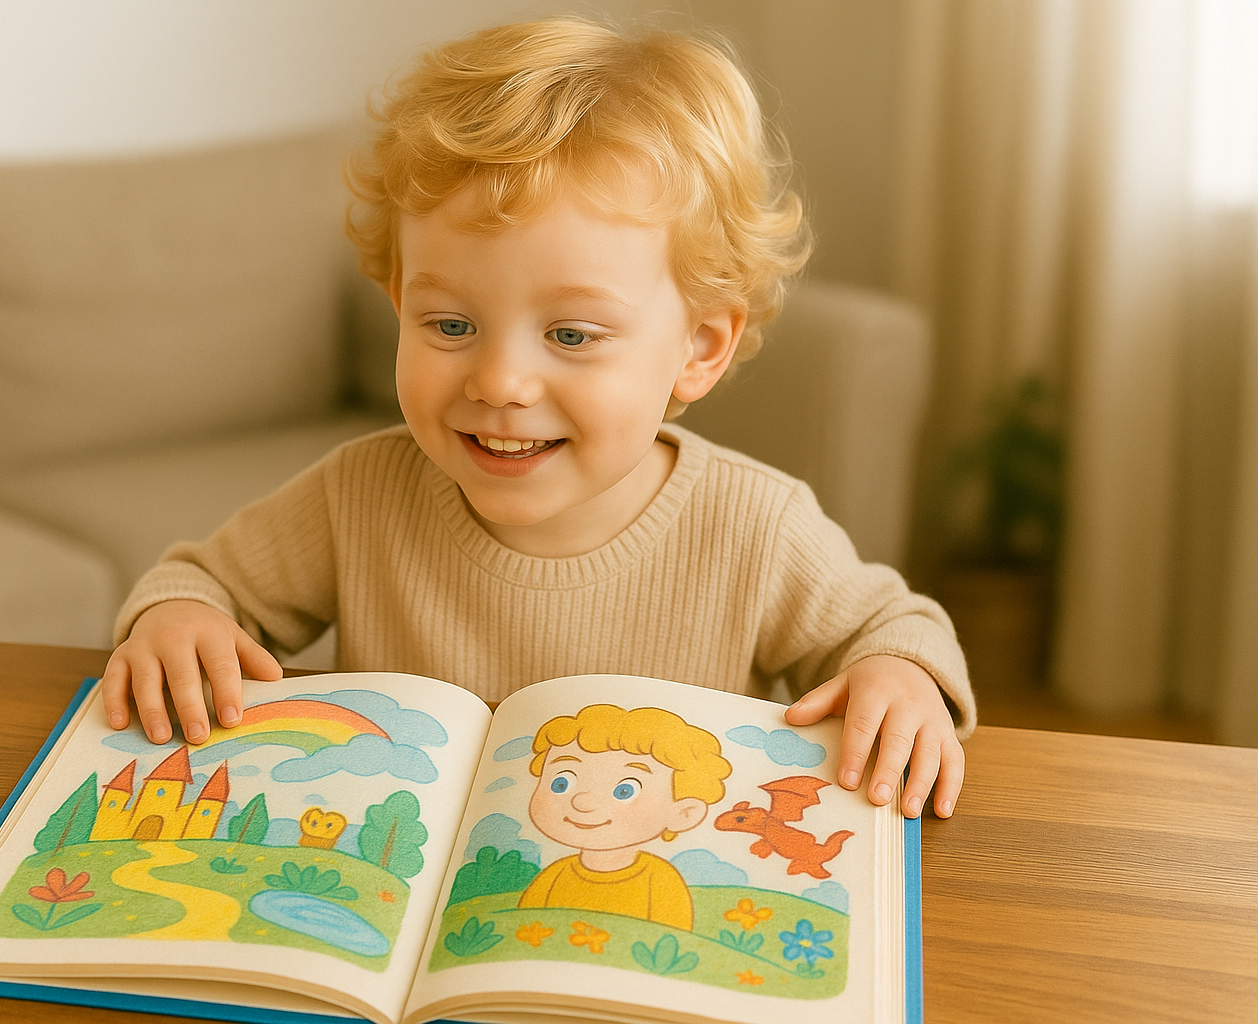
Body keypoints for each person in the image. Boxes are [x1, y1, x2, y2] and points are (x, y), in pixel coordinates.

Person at [100, 17, 975, 819]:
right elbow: (200, 583)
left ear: (699, 348)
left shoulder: (758, 527)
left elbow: (894, 628)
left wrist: (899, 675)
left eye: (571, 335)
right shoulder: (354, 496)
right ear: (399, 302)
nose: (501, 382)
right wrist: (178, 621)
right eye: (450, 325)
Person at [518, 704, 732, 931]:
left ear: (684, 813)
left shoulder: (659, 880)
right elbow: (522, 925)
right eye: (561, 783)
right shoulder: (555, 876)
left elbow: (671, 938)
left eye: (624, 791)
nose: (582, 802)